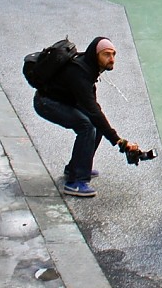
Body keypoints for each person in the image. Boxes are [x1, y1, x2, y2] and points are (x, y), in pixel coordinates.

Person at [32, 37, 140, 198]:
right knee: (87, 126)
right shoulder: (80, 73)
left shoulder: (90, 69)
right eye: (107, 55)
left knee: (97, 125)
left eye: (114, 54)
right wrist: (119, 141)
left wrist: (115, 138)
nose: (112, 59)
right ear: (96, 55)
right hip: (46, 103)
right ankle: (76, 182)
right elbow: (92, 110)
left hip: (62, 100)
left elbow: (94, 109)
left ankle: (75, 167)